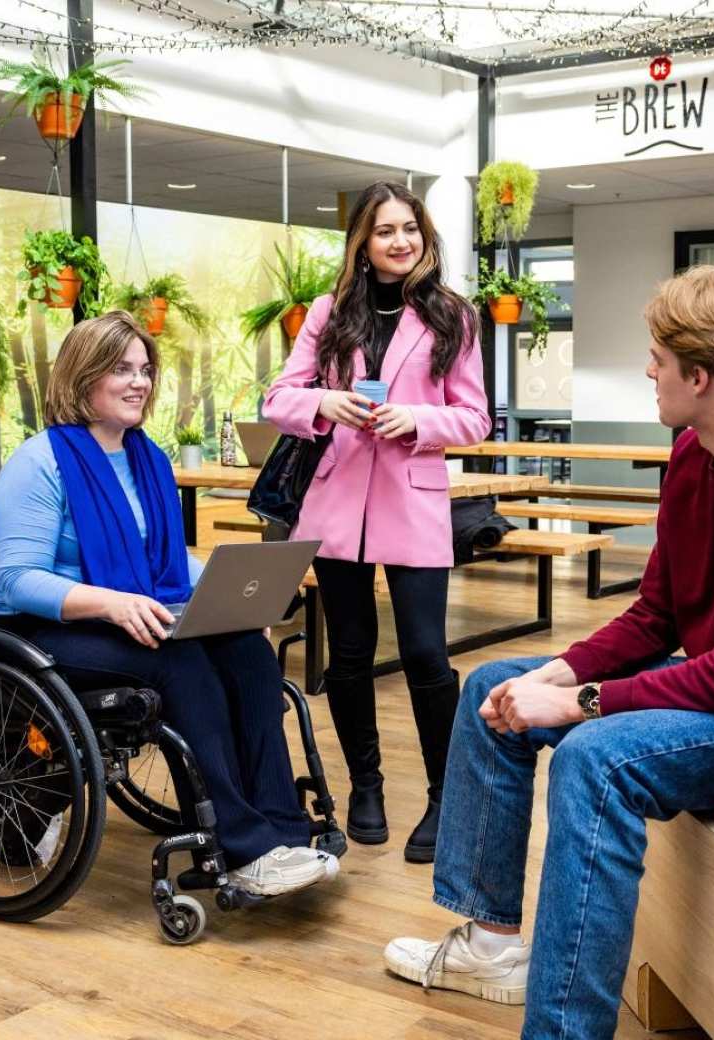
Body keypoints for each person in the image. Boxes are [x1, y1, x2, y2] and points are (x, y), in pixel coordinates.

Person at [383, 265, 714, 1037]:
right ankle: (488, 947)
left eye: (657, 357)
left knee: (595, 759)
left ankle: (563, 1028)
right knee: (491, 685)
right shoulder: (693, 455)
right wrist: (561, 670)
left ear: (701, 374)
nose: (647, 370)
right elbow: (658, 614)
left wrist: (578, 703)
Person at [0, 311, 337, 898]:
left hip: (140, 614)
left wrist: (229, 594)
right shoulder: (38, 462)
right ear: (82, 376)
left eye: (145, 369)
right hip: (51, 629)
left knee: (247, 650)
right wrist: (113, 603)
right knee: (179, 663)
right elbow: (15, 580)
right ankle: (242, 846)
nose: (139, 381)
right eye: (121, 369)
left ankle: (283, 831)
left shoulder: (146, 458)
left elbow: (165, 562)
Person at [262, 181, 490, 863]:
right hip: (336, 508)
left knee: (426, 655)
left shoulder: (455, 316)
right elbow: (279, 397)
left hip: (413, 499)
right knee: (351, 656)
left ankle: (447, 795)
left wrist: (418, 419)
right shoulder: (330, 313)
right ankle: (366, 785)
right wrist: (324, 403)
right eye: (386, 230)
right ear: (362, 240)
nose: (400, 242)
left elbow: (476, 418)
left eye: (411, 230)